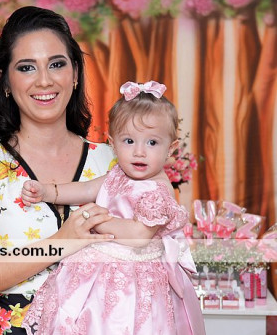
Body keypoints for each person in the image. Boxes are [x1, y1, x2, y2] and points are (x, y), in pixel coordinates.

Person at [0, 6, 116, 335]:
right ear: (5, 82)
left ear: (75, 73)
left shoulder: (112, 162)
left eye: (57, 64)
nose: (44, 80)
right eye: (26, 67)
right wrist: (59, 243)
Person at [20, 81, 206, 334]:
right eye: (129, 141)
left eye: (152, 143)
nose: (139, 152)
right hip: (100, 268)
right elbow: (86, 189)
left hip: (134, 278)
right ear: (113, 144)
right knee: (87, 319)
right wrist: (48, 191)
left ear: (170, 149)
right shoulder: (118, 174)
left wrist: (96, 220)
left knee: (125, 322)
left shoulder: (157, 189)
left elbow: (139, 236)